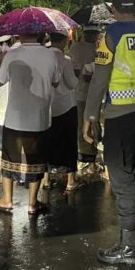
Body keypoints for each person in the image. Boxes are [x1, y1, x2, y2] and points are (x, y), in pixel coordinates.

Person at [84, 0, 135, 265]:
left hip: (119, 114)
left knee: (122, 176)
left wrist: (90, 117)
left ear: (113, 9)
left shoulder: (109, 36)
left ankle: (129, 246)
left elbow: (100, 80)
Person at [0, 32, 60, 215]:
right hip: (40, 117)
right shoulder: (50, 55)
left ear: (20, 35)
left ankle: (7, 200)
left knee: (9, 158)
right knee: (37, 158)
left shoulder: (12, 55)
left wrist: (2, 61)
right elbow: (56, 81)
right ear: (40, 34)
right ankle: (32, 203)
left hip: (15, 117)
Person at [43, 31, 80, 190]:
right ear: (64, 41)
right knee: (69, 143)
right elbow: (72, 83)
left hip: (47, 108)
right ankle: (71, 181)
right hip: (66, 107)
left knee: (48, 142)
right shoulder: (65, 60)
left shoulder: (43, 58)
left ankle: (46, 179)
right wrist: (78, 75)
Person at [70, 28, 101, 166]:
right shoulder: (97, 50)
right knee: (94, 123)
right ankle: (93, 156)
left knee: (81, 124)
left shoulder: (75, 47)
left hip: (78, 92)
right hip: (93, 92)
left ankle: (83, 157)